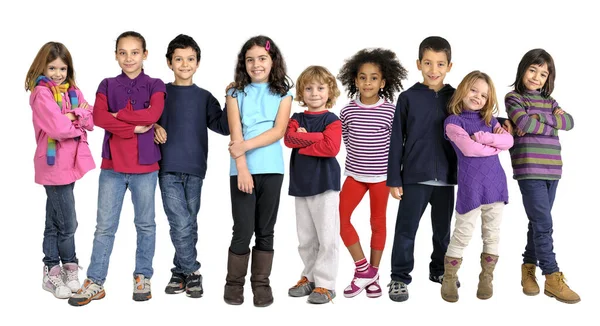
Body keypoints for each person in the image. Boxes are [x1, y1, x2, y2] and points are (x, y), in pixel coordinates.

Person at [68, 31, 166, 306]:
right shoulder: (107, 84)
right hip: (112, 166)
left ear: (145, 55)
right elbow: (98, 116)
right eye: (123, 52)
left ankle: (142, 276)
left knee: (145, 225)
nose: (129, 58)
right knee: (104, 227)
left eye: (135, 52)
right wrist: (133, 127)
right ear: (116, 55)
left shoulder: (156, 84)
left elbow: (152, 115)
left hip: (145, 166)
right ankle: (96, 281)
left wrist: (117, 116)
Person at [155, 34, 229, 298]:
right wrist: (153, 126)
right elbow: (142, 119)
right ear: (169, 62)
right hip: (167, 167)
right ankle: (193, 272)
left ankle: (179, 271)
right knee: (180, 221)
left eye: (190, 59)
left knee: (188, 222)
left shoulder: (205, 97)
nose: (184, 64)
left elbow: (223, 126)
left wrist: (231, 98)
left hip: (196, 168)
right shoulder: (159, 92)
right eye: (178, 59)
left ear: (197, 63)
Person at [504, 49, 579, 304]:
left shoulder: (550, 100)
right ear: (523, 69)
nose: (537, 77)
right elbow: (523, 125)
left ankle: (527, 270)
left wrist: (538, 117)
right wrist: (549, 123)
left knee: (538, 222)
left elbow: (569, 122)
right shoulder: (514, 97)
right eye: (532, 70)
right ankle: (551, 275)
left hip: (553, 170)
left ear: (549, 78)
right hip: (529, 168)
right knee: (544, 224)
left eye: (543, 73)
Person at [387, 36, 458, 302]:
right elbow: (396, 139)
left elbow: (475, 119)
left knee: (443, 231)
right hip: (415, 177)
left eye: (440, 64)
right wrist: (394, 177)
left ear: (449, 65)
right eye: (428, 62)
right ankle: (399, 277)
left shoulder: (456, 97)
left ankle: (439, 270)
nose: (433, 69)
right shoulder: (407, 98)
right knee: (406, 229)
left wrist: (500, 123)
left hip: (447, 178)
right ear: (418, 63)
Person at [223, 35, 293, 307]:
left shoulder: (284, 95)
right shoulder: (234, 93)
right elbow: (235, 130)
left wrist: (243, 147)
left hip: (272, 169)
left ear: (272, 60)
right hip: (241, 170)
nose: (256, 64)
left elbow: (278, 131)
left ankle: (261, 284)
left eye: (262, 58)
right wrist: (241, 165)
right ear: (244, 64)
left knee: (266, 230)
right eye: (250, 60)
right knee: (242, 229)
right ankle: (234, 284)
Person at [25, 41, 95, 299]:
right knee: (68, 222)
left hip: (71, 162)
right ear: (42, 67)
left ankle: (52, 269)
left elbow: (91, 115)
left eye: (62, 68)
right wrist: (74, 118)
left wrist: (72, 115)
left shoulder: (72, 90)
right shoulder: (41, 94)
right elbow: (57, 128)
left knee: (54, 220)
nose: (57, 74)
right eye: (52, 68)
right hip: (53, 165)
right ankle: (68, 265)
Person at [337, 48, 408, 298]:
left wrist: (395, 180)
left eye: (374, 77)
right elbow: (346, 140)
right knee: (340, 218)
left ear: (383, 81)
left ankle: (374, 272)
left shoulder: (390, 111)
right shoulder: (346, 111)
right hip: (355, 176)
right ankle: (364, 269)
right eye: (363, 77)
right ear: (355, 80)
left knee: (377, 223)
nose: (368, 82)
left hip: (381, 179)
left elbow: (397, 147)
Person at [441, 71, 513, 302]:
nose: (478, 97)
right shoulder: (453, 121)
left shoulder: (489, 121)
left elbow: (508, 141)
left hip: (496, 185)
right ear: (463, 89)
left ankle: (486, 277)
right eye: (473, 90)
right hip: (471, 187)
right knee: (462, 234)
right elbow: (469, 150)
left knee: (492, 234)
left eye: (483, 95)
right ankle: (449, 278)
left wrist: (481, 137)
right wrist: (493, 143)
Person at [284, 66, 342, 304]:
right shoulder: (296, 118)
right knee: (306, 237)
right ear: (301, 92)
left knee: (327, 237)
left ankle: (326, 284)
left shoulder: (332, 120)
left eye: (320, 88)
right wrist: (317, 138)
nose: (314, 93)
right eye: (308, 88)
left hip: (325, 184)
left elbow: (331, 148)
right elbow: (289, 140)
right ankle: (309, 277)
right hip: (301, 184)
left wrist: (306, 138)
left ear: (330, 91)